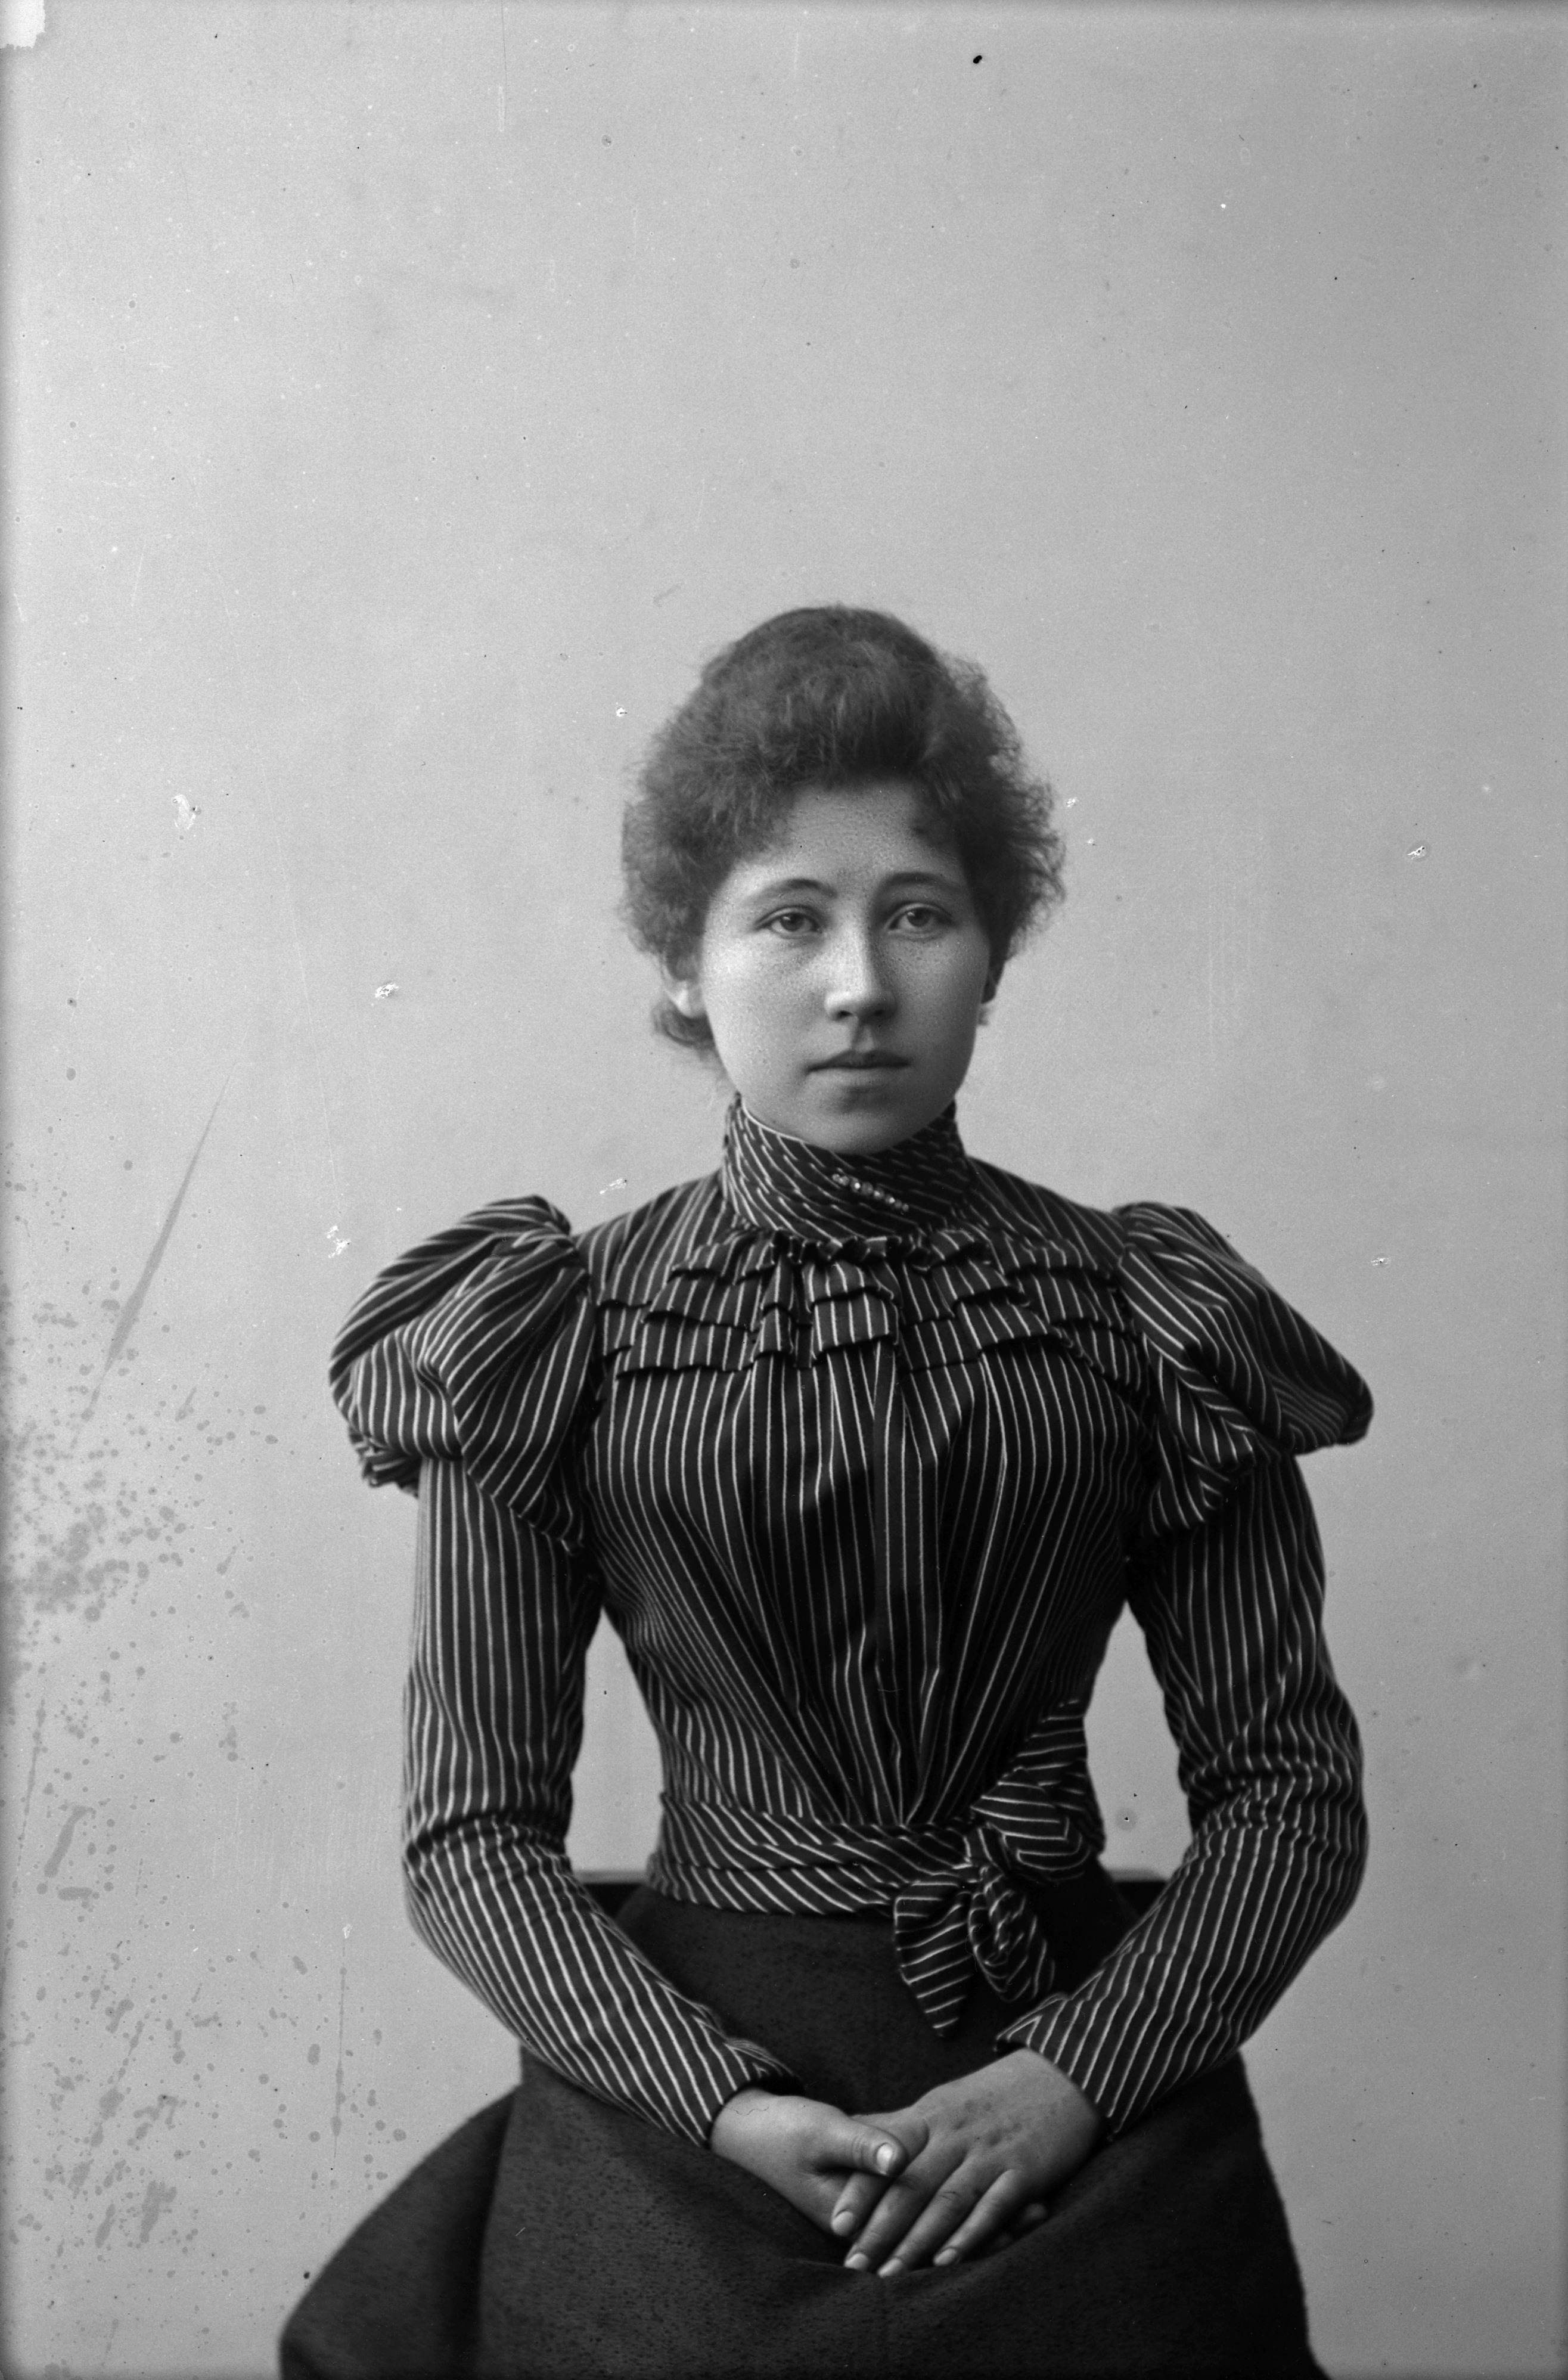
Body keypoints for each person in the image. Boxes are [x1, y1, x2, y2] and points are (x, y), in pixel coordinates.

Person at [282, 607, 1372, 2379]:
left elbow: (1291, 1794)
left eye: (919, 913)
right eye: (789, 917)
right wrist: (722, 2103)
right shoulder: (550, 1330)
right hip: (685, 2119)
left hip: (1082, 2097)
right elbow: (468, 1835)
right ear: (686, 961)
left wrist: (1071, 2080)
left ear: (992, 952)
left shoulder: (1147, 1316)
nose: (860, 983)